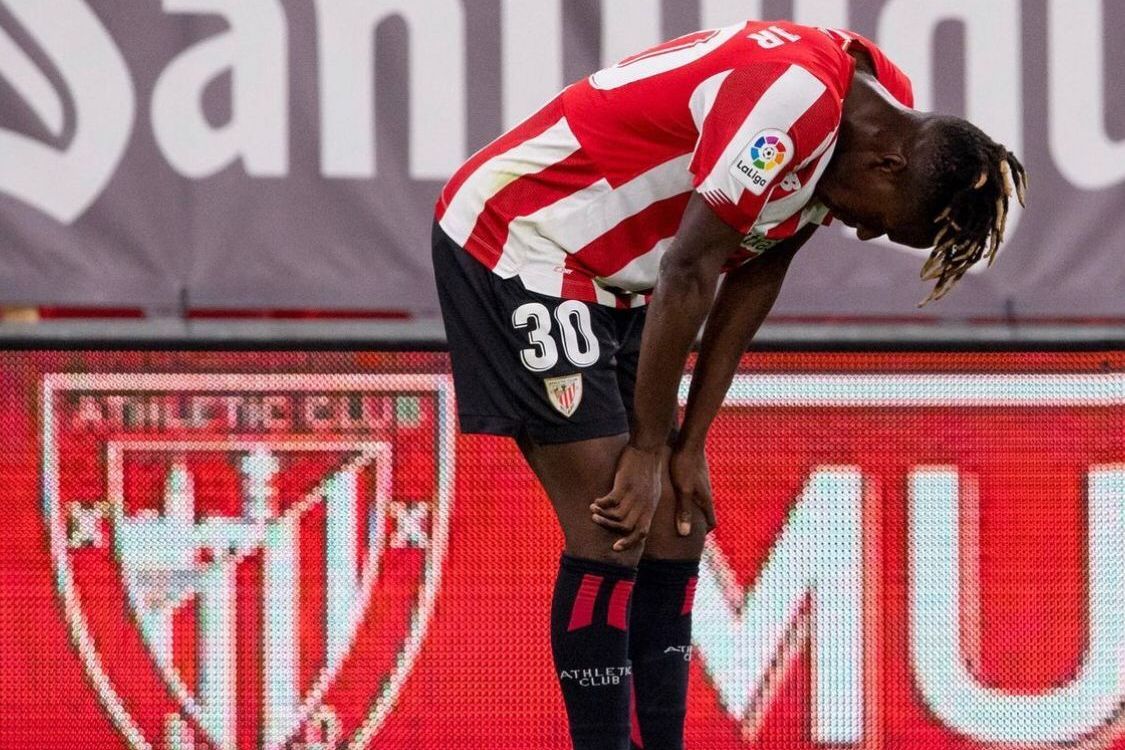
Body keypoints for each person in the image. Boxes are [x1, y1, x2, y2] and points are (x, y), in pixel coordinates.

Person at [432, 19, 1026, 750]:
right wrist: (650, 446)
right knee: (615, 526)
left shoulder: (877, 111)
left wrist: (689, 446)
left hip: (618, 279)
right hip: (522, 238)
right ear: (889, 165)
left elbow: (758, 269)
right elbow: (690, 269)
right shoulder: (794, 105)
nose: (868, 236)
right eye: (886, 224)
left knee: (676, 528)